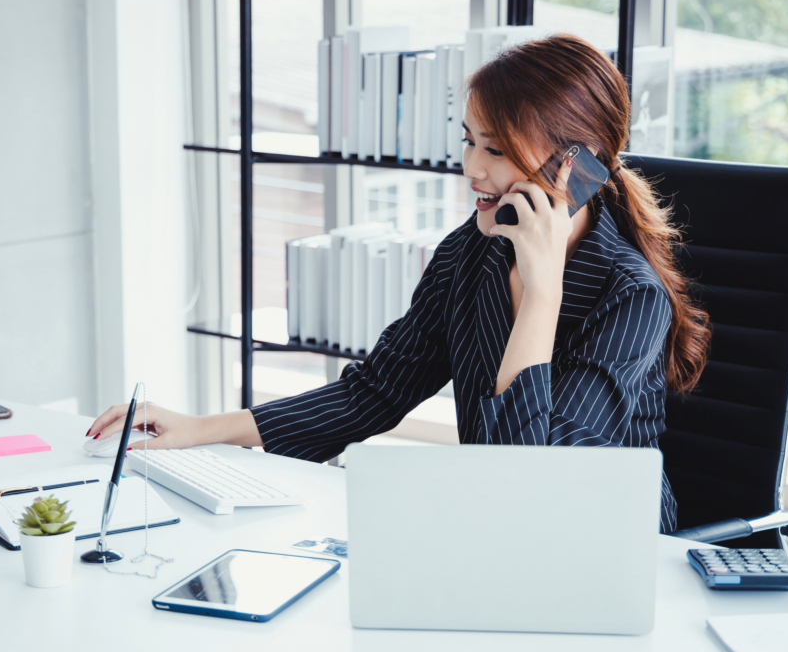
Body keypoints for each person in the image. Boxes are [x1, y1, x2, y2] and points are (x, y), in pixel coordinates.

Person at [87, 34, 710, 533]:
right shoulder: (473, 254)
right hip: (495, 537)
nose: (471, 169)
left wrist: (542, 295)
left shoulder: (629, 297)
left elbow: (533, 485)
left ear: (576, 166)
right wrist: (198, 428)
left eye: (495, 150)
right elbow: (374, 393)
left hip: (612, 552)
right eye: (469, 142)